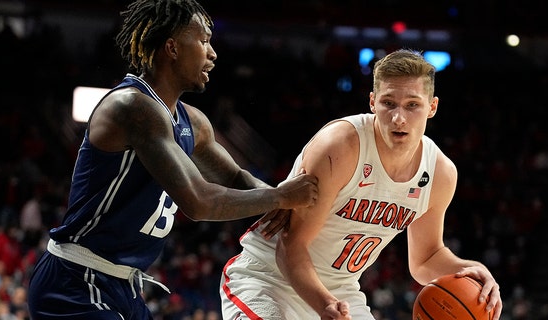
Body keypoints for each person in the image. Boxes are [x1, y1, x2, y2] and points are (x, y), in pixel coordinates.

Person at [26, 0, 319, 319]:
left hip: (122, 285)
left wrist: (292, 212)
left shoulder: (192, 121)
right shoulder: (132, 107)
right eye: (204, 41)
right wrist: (279, 196)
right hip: (76, 280)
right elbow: (198, 201)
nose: (213, 53)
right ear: (172, 48)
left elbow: (237, 179)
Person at [220, 49, 503, 320]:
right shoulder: (340, 147)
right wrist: (325, 305)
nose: (399, 118)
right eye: (388, 103)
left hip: (340, 291)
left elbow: (425, 259)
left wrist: (470, 270)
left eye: (412, 105)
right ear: (372, 102)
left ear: (432, 107)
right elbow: (291, 246)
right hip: (269, 279)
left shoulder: (440, 174)